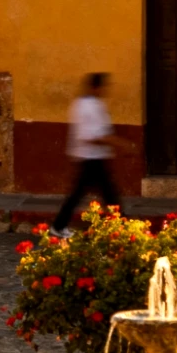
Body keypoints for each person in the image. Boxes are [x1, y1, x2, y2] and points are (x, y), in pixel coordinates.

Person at [50, 72, 130, 236]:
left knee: (99, 194)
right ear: (96, 87)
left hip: (93, 157)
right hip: (90, 157)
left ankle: (59, 225)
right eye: (103, 87)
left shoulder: (88, 104)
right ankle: (124, 227)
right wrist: (121, 144)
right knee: (105, 194)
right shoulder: (87, 106)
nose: (105, 90)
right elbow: (92, 135)